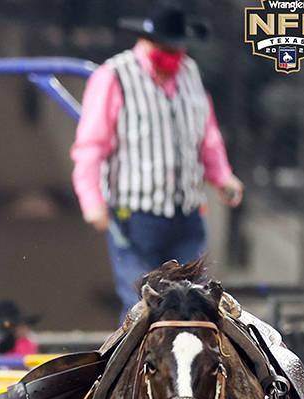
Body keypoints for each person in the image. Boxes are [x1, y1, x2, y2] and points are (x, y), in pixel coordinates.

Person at [70, 4, 244, 311]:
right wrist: (92, 200)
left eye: (177, 46)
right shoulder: (114, 76)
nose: (172, 53)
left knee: (197, 302)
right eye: (166, 46)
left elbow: (207, 136)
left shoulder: (189, 71)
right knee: (142, 304)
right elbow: (91, 145)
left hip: (187, 214)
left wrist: (222, 177)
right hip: (136, 217)